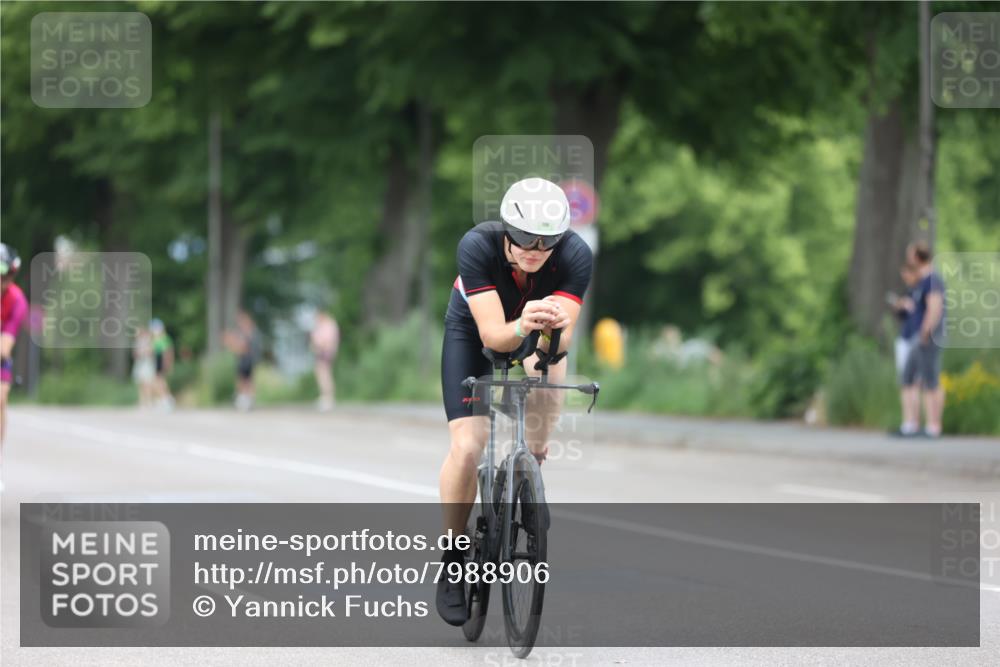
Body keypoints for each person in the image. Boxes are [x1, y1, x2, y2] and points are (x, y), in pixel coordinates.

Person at [436, 177, 593, 625]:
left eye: (547, 241)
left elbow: (558, 345)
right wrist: (524, 324)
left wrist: (550, 337)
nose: (535, 249)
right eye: (525, 238)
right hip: (475, 331)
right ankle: (453, 557)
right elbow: (493, 337)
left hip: (533, 329)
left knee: (550, 371)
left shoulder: (576, 255)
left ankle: (530, 467)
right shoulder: (477, 246)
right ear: (507, 229)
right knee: (468, 446)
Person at [894, 241, 947, 438]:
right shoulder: (920, 282)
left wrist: (925, 331)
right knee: (910, 378)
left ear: (917, 257)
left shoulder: (933, 279)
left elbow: (935, 308)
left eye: (910, 255)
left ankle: (934, 426)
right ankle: (913, 425)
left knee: (930, 381)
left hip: (928, 336)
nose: (908, 259)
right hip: (918, 337)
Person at [1, 243, 27, 450]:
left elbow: (4, 348)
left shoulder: (17, 299)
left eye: (8, 275)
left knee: (0, 399)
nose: (3, 280)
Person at [225, 310, 262, 411]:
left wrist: (232, 342)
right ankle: (245, 400)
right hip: (246, 359)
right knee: (245, 380)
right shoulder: (248, 331)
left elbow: (243, 347)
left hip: (246, 359)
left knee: (245, 381)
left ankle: (246, 401)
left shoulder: (247, 332)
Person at [890, 263, 921, 384]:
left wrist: (910, 304)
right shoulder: (909, 290)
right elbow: (902, 316)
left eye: (907, 275)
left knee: (918, 377)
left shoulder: (921, 290)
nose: (905, 278)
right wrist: (898, 307)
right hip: (905, 336)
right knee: (904, 376)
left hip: (917, 337)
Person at [310, 311, 340, 411]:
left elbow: (325, 341)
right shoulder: (323, 325)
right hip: (322, 352)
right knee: (323, 375)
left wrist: (318, 346)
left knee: (324, 376)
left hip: (324, 352)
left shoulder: (328, 325)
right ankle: (325, 397)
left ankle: (328, 398)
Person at [149, 319, 175, 411]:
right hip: (157, 360)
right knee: (157, 381)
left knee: (160, 381)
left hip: (161, 360)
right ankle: (163, 399)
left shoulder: (164, 338)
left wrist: (167, 364)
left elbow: (167, 352)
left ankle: (166, 399)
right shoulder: (155, 339)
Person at [132, 326, 157, 408]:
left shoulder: (149, 341)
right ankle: (142, 402)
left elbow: (151, 352)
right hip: (139, 365)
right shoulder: (137, 343)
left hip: (147, 365)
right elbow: (135, 355)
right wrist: (139, 353)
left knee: (148, 384)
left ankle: (149, 401)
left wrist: (144, 352)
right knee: (141, 384)